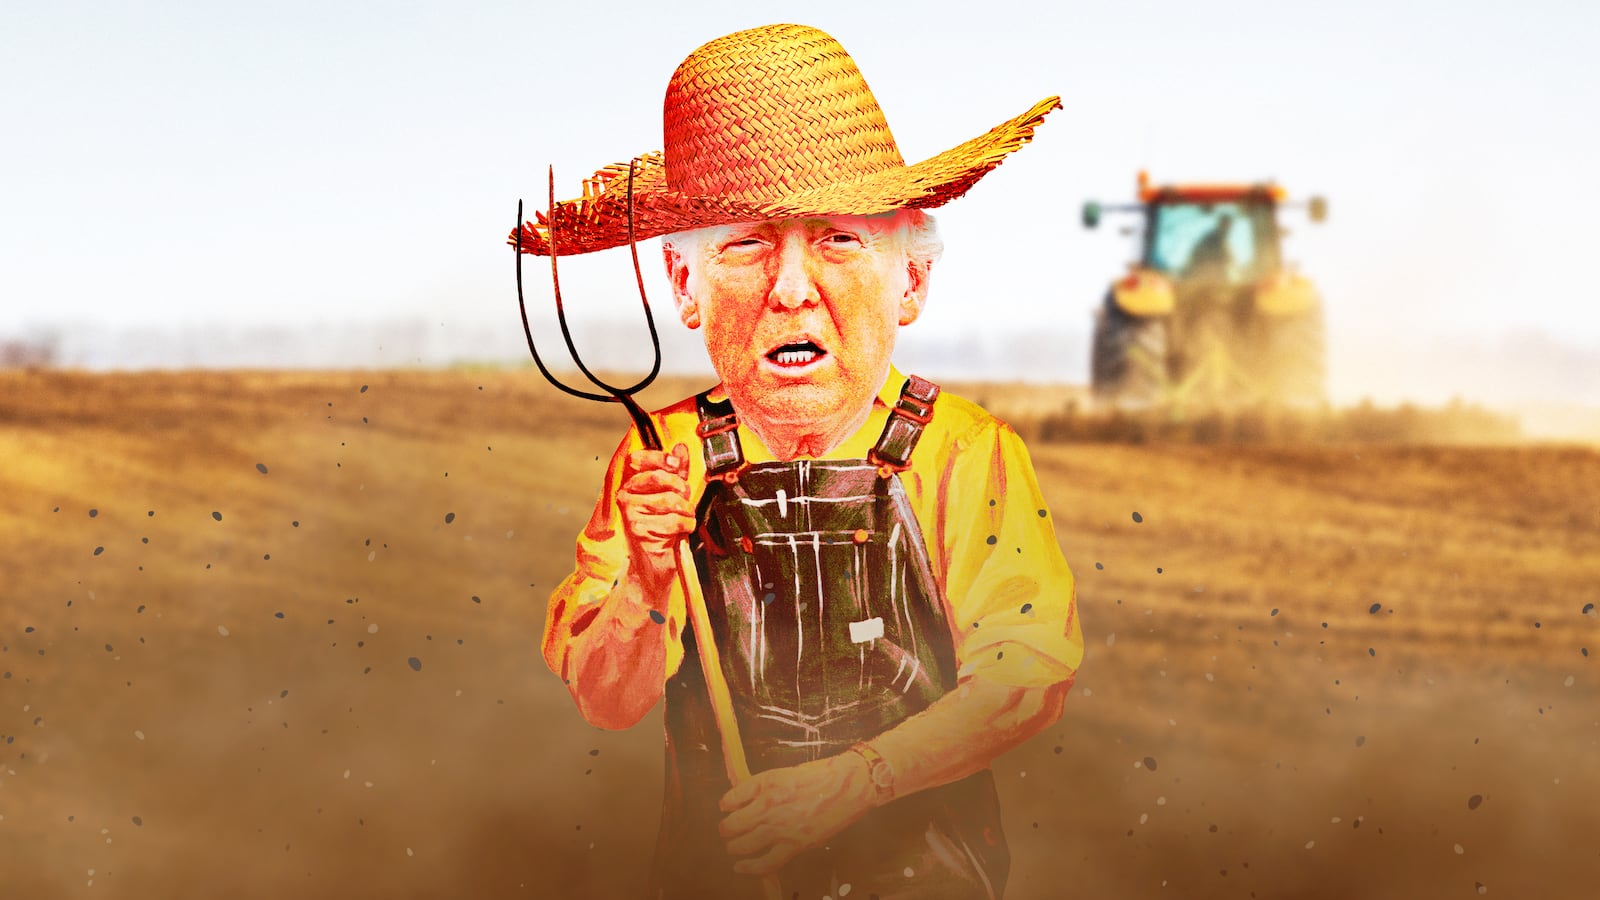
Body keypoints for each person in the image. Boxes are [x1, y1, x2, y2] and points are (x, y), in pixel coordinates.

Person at [519, 24, 1084, 899]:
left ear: (911, 281)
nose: (791, 288)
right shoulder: (659, 456)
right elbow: (607, 702)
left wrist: (849, 785)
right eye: (744, 244)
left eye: (837, 240)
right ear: (683, 285)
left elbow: (1025, 677)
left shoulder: (965, 451)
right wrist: (642, 578)